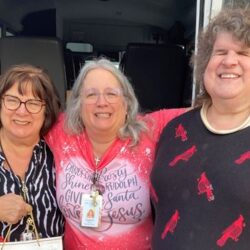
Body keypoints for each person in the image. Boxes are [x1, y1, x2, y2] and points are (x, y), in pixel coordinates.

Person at [45, 57, 187, 249]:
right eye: (91, 95)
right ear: (78, 104)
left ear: (127, 103)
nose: (101, 102)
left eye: (111, 94)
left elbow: (213, 114)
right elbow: (15, 123)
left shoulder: (151, 129)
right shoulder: (61, 131)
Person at [150, 8, 250, 249]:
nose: (229, 60)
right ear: (205, 63)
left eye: (243, 52)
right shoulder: (175, 129)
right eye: (220, 52)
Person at [0, 64, 64, 242]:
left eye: (33, 103)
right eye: (12, 100)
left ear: (47, 110)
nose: (22, 111)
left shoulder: (60, 152)